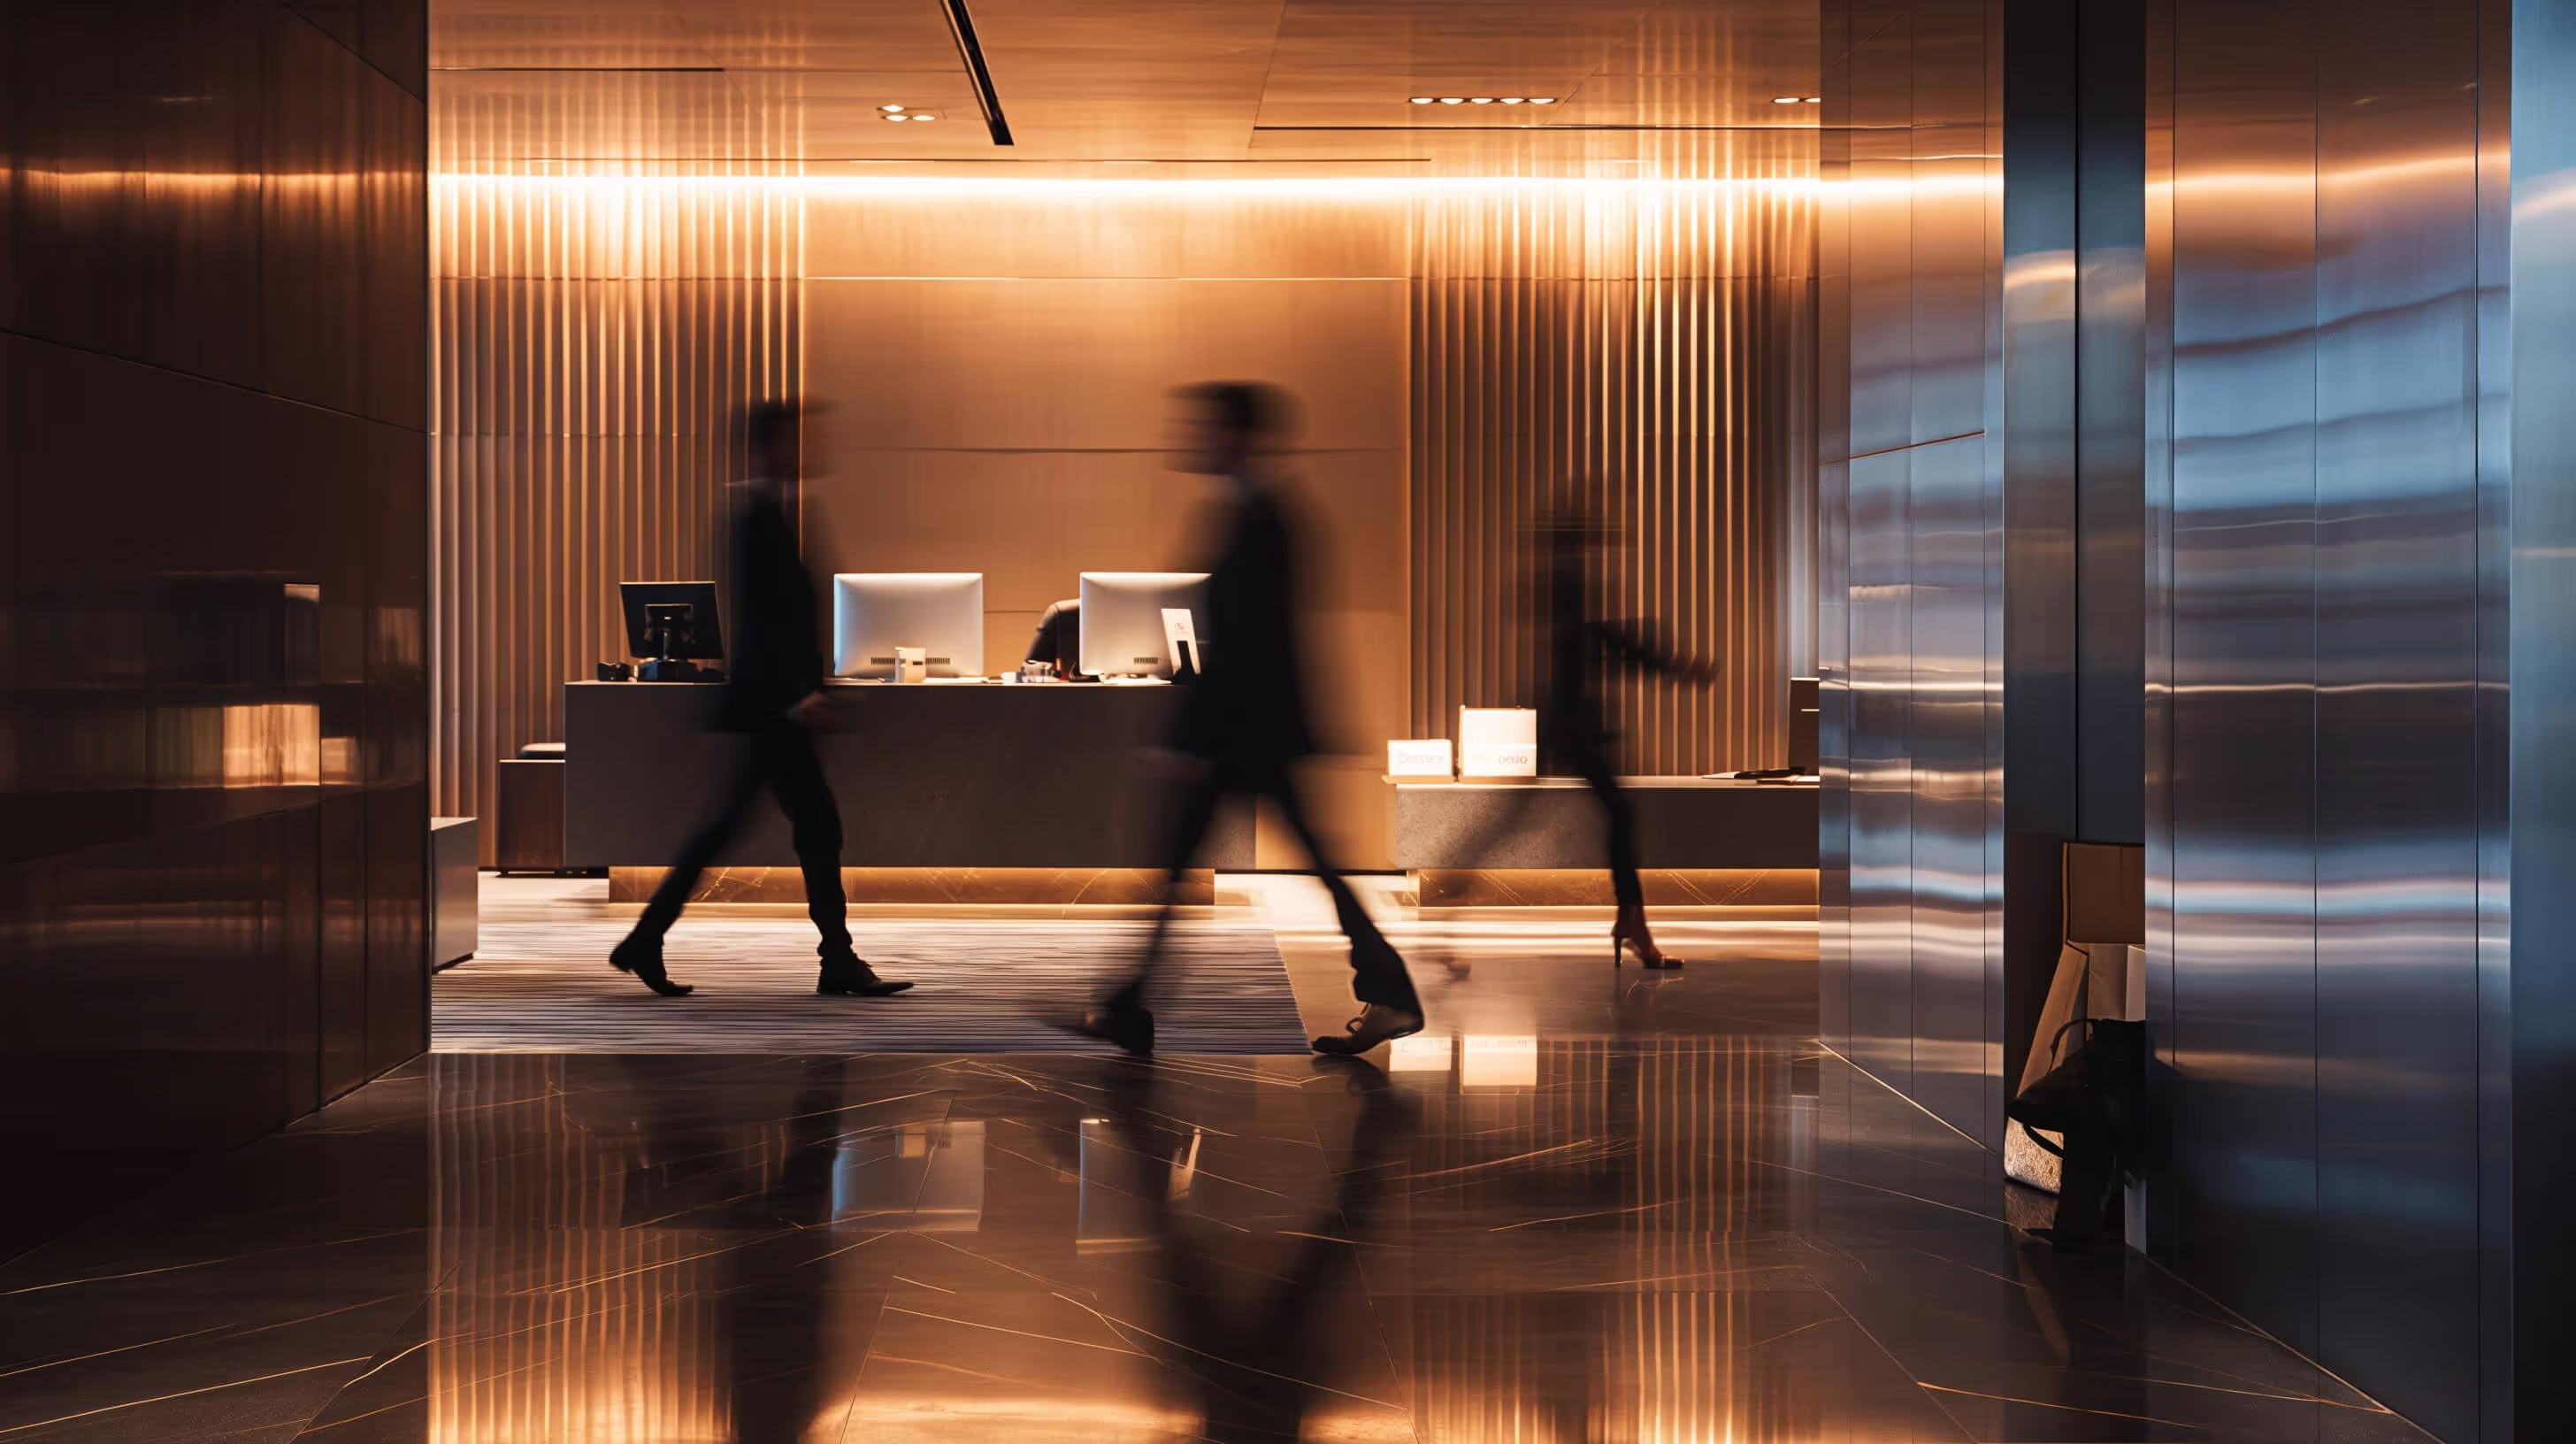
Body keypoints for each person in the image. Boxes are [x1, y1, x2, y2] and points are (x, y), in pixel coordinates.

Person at [1077, 381, 1423, 1057]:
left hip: (1245, 735)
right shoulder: (1257, 512)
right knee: (1247, 865)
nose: (1193, 438)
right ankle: (1131, 1002)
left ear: (1235, 435)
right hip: (1254, 733)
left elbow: (1248, 647)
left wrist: (1191, 742)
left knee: (1194, 865)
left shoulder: (1261, 520)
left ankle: (1130, 1004)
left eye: (1205, 426)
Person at [609, 400, 911, 1000]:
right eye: (800, 438)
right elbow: (759, 623)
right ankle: (833, 959)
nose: (812, 448)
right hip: (774, 711)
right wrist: (795, 700)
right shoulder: (754, 517)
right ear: (772, 445)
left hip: (777, 709)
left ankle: (652, 939)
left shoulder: (783, 512)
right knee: (788, 827)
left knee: (792, 826)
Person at [1536, 494, 1719, 970]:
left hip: (1571, 724)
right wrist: (1673, 664)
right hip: (1572, 726)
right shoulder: (1567, 582)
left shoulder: (1562, 581)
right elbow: (1597, 639)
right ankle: (1632, 924)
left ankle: (1632, 922)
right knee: (1618, 816)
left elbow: (1598, 643)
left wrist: (1664, 661)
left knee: (1618, 816)